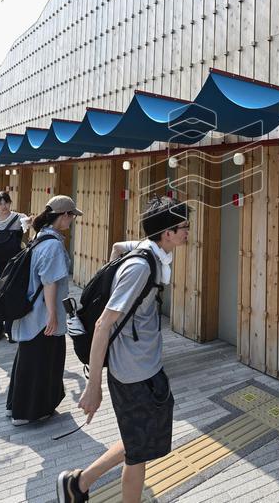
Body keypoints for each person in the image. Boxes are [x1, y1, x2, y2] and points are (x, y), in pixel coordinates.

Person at [56, 196, 191, 503]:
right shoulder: (141, 267)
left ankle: (78, 483)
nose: (188, 232)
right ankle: (80, 484)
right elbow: (103, 324)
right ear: (167, 233)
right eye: (184, 226)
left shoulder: (149, 250)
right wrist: (93, 387)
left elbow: (118, 246)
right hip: (131, 372)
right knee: (138, 452)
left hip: (147, 366)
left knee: (140, 440)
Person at [5, 195, 81, 426]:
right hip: (42, 314)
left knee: (29, 358)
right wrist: (52, 315)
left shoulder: (40, 237)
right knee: (41, 361)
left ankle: (17, 406)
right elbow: (49, 282)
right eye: (72, 216)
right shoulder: (53, 244)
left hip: (31, 311)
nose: (72, 221)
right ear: (64, 215)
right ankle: (28, 412)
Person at [0, 192, 29, 343]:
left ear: (10, 202)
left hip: (14, 265)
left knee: (12, 295)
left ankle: (11, 329)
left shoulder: (20, 218)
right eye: (0, 203)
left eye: (6, 202)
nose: (4, 206)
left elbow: (31, 229)